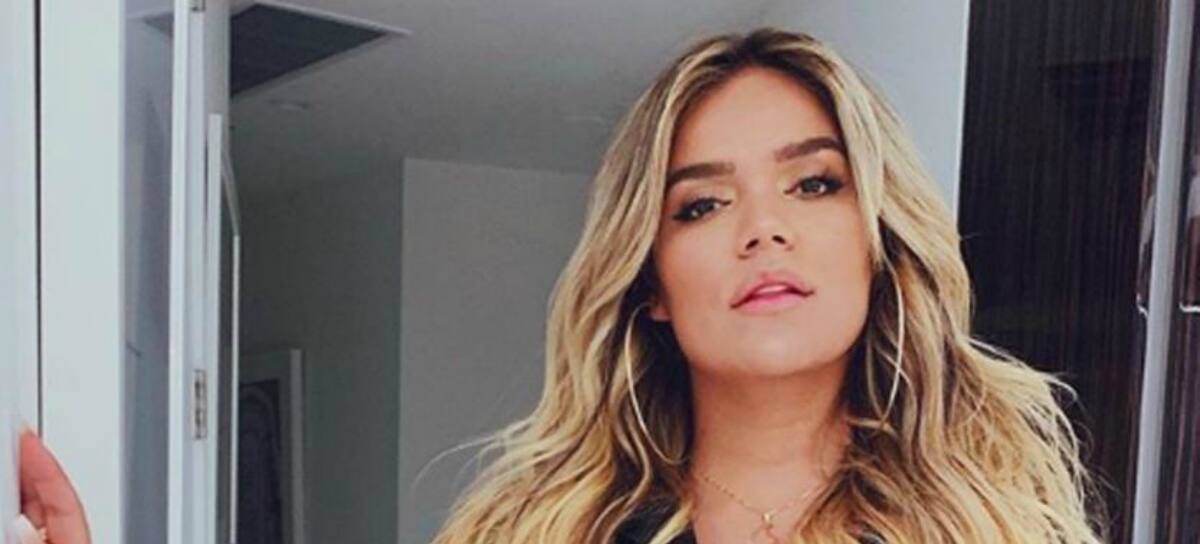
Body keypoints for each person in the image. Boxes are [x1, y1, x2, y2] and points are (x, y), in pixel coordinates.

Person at [430, 28, 1107, 543]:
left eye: (813, 184)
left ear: (878, 239)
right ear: (650, 282)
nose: (763, 229)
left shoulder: (998, 526)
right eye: (703, 205)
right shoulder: (533, 530)